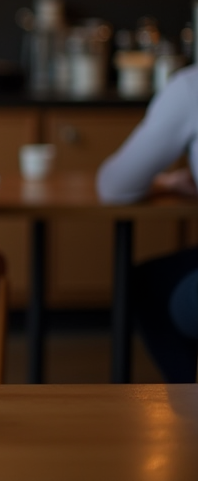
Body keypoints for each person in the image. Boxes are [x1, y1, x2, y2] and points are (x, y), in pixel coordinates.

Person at [97, 64, 198, 383]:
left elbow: (115, 186)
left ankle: (188, 401)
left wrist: (166, 183)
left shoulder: (191, 87)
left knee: (145, 286)